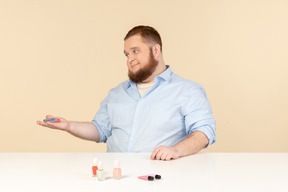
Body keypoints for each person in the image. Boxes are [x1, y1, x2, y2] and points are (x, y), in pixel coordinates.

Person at [37, 25, 216, 161]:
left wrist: (175, 150)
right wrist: (69, 126)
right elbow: (100, 130)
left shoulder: (188, 91)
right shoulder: (116, 93)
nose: (130, 59)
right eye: (126, 54)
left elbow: (203, 133)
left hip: (162, 179)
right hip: (116, 177)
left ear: (156, 50)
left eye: (135, 51)